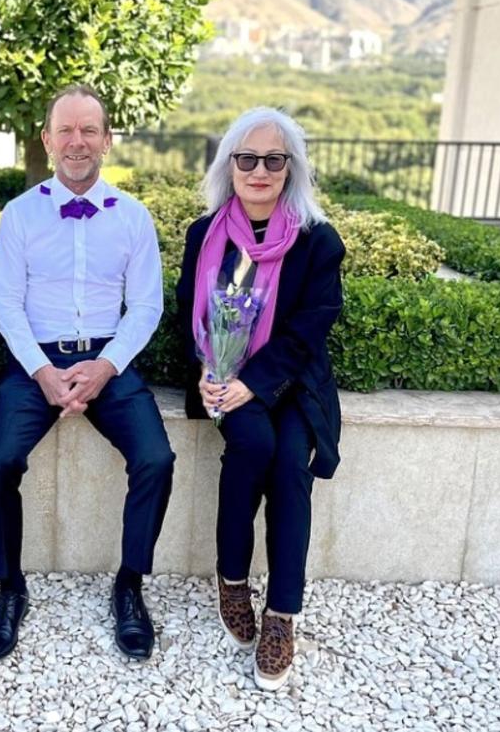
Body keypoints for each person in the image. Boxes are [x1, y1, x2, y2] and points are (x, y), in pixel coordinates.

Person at [0, 85, 175, 662]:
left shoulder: (133, 219)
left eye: (90, 130)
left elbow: (146, 306)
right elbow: (5, 301)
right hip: (35, 363)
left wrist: (107, 365)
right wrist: (41, 371)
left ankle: (130, 584)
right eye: (66, 130)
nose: (78, 141)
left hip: (110, 363)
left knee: (156, 460)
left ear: (107, 140)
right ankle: (10, 588)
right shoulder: (20, 214)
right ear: (47, 139)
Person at [175, 107, 345, 691]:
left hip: (292, 382)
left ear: (291, 168)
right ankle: (229, 579)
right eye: (247, 158)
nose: (260, 170)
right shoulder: (206, 235)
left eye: (275, 160)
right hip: (223, 380)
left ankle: (282, 613)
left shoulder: (316, 240)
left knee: (289, 464)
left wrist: (256, 379)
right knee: (250, 444)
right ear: (230, 164)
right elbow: (186, 315)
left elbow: (311, 325)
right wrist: (205, 368)